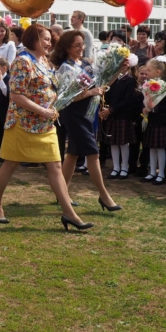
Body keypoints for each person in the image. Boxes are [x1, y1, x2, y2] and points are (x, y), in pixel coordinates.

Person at [0, 23, 94, 230]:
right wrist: (43, 110)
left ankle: (69, 213)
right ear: (33, 39)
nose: (50, 42)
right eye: (45, 39)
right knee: (11, 164)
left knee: (55, 165)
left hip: (46, 124)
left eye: (49, 39)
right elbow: (16, 96)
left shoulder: (44, 60)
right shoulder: (22, 62)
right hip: (23, 124)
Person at [51, 30, 121, 210]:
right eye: (77, 45)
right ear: (67, 47)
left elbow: (102, 84)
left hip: (87, 113)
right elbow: (65, 98)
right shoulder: (65, 68)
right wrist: (90, 92)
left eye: (82, 44)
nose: (82, 48)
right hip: (74, 115)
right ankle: (104, 196)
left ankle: (62, 193)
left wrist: (120, 69)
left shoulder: (85, 63)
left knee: (73, 154)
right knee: (93, 153)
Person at [99, 45, 137, 179]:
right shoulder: (112, 79)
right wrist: (105, 108)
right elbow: (106, 94)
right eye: (121, 63)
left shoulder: (130, 80)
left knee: (122, 143)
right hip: (111, 115)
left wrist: (111, 110)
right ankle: (115, 167)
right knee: (113, 142)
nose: (123, 65)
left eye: (126, 63)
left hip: (122, 115)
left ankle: (124, 167)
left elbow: (127, 100)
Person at [141, 57, 166, 185]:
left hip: (162, 121)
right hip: (152, 120)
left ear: (158, 72)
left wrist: (155, 108)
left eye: (149, 70)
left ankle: (161, 173)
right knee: (151, 147)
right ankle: (152, 172)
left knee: (160, 148)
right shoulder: (148, 85)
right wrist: (146, 108)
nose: (147, 73)